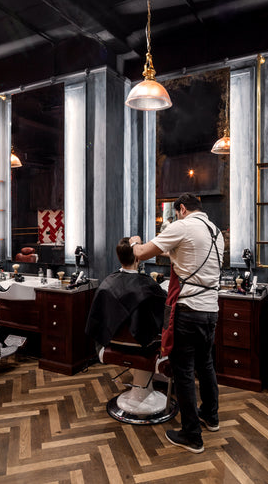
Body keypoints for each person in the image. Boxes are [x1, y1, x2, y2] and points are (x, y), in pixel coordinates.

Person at [130, 193, 224, 454]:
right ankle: (211, 417)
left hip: (189, 310)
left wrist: (135, 241)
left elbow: (142, 253)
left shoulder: (182, 226)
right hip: (211, 310)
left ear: (182, 209)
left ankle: (192, 434)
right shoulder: (216, 232)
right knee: (206, 365)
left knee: (183, 372)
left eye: (177, 212)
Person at [85, 237, 166, 350]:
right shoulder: (148, 286)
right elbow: (164, 310)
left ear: (119, 257)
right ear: (138, 258)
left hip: (113, 343)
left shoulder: (106, 284)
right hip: (143, 345)